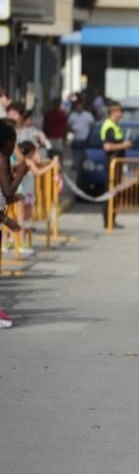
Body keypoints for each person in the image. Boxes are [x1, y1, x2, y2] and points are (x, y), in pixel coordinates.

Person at [0, 120, 29, 327]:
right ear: (7, 142)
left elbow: (7, 195)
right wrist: (21, 173)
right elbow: (8, 191)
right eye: (13, 143)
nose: (14, 148)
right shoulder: (1, 157)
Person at [99, 101, 132, 229]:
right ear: (113, 112)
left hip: (117, 165)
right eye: (120, 111)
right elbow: (107, 146)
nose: (122, 113)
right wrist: (124, 145)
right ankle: (108, 221)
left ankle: (112, 220)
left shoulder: (115, 125)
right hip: (111, 165)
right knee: (110, 192)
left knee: (115, 192)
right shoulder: (109, 126)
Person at [67, 100, 95, 174]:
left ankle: (83, 166)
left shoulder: (88, 115)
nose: (78, 107)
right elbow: (68, 126)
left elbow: (92, 125)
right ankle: (76, 165)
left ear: (82, 106)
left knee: (84, 153)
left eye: (80, 106)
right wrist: (71, 130)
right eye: (77, 106)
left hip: (85, 139)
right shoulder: (72, 115)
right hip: (76, 138)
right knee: (75, 153)